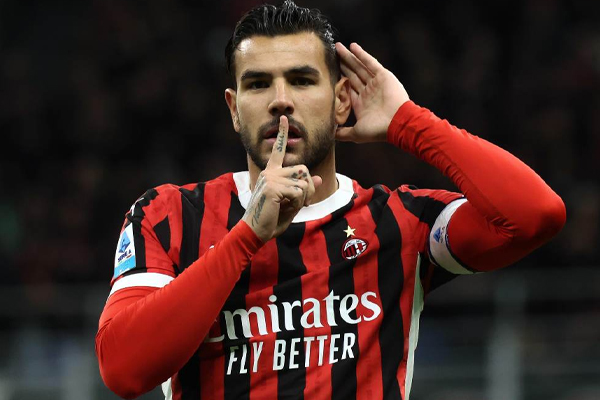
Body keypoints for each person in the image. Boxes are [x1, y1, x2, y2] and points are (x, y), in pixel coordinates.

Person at [95, 1, 566, 399]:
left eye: (302, 80)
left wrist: (410, 123)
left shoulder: (401, 223)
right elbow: (123, 370)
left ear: (342, 100)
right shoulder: (170, 214)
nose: (281, 100)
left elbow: (535, 215)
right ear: (234, 109)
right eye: (258, 84)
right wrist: (248, 236)